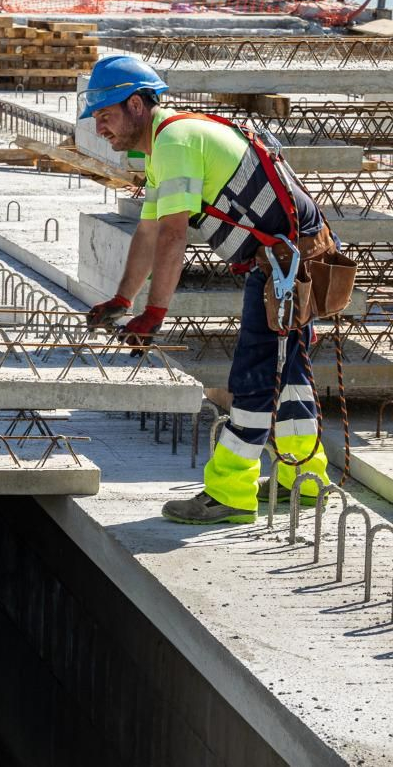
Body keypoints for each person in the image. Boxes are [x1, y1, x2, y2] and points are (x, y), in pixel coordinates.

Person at [80, 54, 336, 525]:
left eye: (105, 116)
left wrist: (154, 314)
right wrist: (124, 299)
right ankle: (305, 480)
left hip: (284, 264)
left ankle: (230, 494)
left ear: (136, 104)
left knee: (255, 378)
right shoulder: (167, 142)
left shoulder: (174, 141)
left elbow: (175, 234)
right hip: (288, 258)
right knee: (290, 372)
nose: (101, 129)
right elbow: (149, 232)